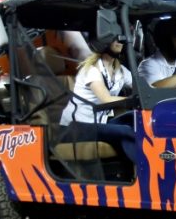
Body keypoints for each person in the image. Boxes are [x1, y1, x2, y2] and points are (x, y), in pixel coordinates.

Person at [59, 34, 137, 163]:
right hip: (75, 127)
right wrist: (132, 100)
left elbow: (143, 87)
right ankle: (142, 170)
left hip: (98, 124)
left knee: (133, 119)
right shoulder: (91, 69)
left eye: (122, 37)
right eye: (114, 37)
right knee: (125, 131)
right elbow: (105, 99)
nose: (120, 41)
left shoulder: (120, 70)